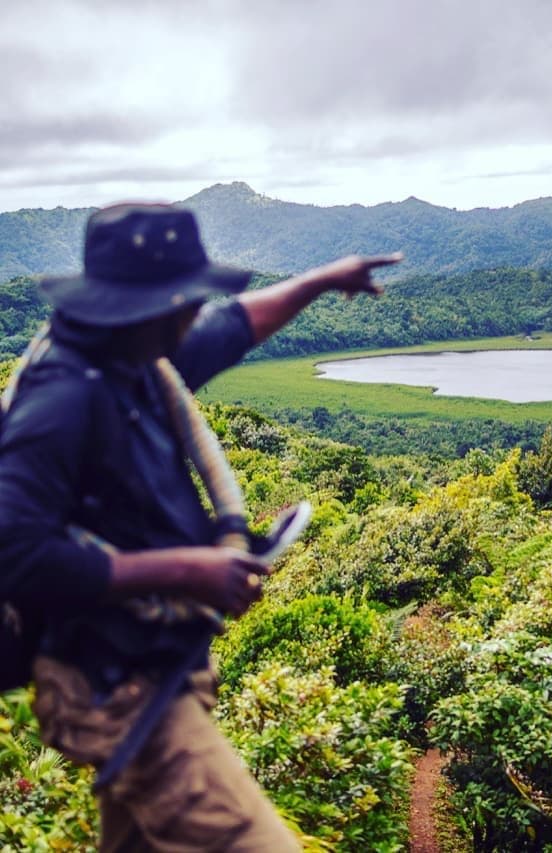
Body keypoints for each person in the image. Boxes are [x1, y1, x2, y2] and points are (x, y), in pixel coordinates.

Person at [0, 203, 401, 851]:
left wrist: (320, 280)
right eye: (185, 299)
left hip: (155, 669)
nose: (195, 312)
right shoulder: (65, 397)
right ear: (146, 307)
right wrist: (191, 569)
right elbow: (14, 550)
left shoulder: (139, 365)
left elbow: (235, 325)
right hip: (113, 685)